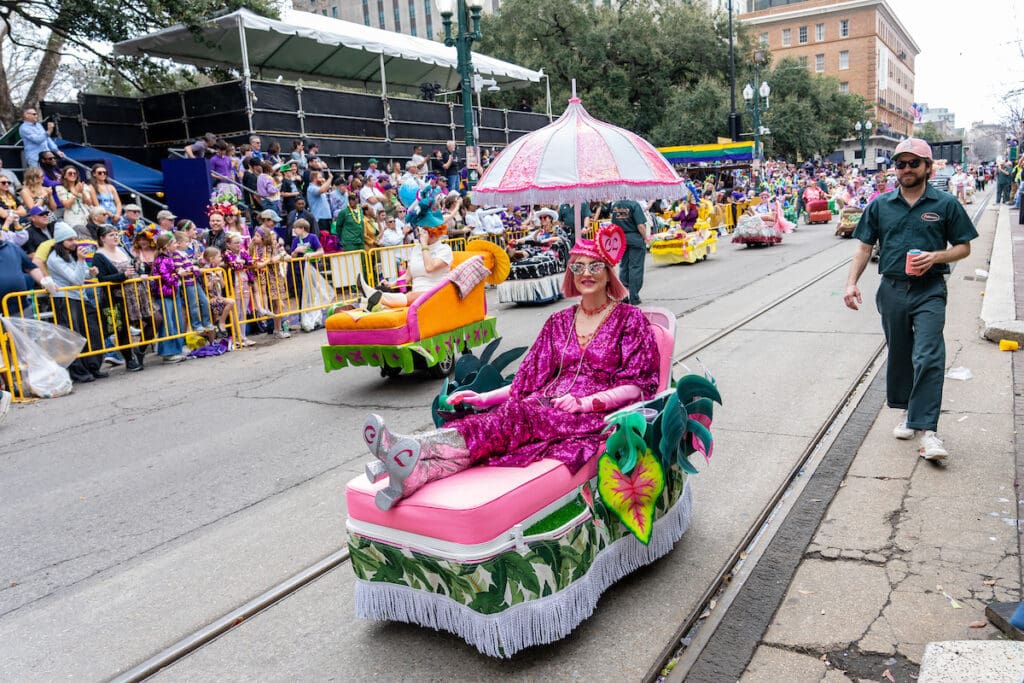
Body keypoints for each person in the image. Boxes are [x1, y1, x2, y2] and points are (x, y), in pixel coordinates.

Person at [361, 224, 658, 510]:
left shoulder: (630, 320)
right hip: (543, 408)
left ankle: (411, 448)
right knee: (498, 421)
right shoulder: (559, 322)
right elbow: (527, 380)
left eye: (595, 266)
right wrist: (485, 398)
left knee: (513, 417)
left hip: (592, 418)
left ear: (609, 273)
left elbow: (639, 384)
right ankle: (414, 471)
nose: (586, 274)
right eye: (578, 267)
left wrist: (587, 403)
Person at [843, 138, 978, 462]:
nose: (906, 169)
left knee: (928, 355)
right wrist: (851, 284)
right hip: (891, 289)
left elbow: (964, 247)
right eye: (901, 163)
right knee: (901, 354)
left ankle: (927, 432)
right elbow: (864, 246)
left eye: (913, 163)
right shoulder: (880, 204)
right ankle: (907, 412)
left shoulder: (945, 204)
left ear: (927, 168)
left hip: (929, 289)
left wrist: (936, 257)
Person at [46, 222, 108, 383]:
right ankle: (78, 371)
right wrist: (82, 262)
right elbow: (75, 280)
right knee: (72, 336)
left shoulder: (71, 255)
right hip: (65, 299)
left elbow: (79, 274)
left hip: (79, 297)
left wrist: (90, 271)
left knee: (93, 331)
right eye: (70, 240)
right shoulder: (54, 258)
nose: (74, 242)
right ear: (61, 241)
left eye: (74, 238)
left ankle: (93, 366)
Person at [357, 221, 453, 310]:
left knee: (412, 295)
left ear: (433, 233)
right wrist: (391, 284)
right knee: (406, 294)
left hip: (435, 293)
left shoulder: (444, 249)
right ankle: (372, 299)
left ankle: (375, 296)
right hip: (416, 295)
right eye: (420, 230)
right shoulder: (416, 249)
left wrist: (424, 245)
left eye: (424, 231)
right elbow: (407, 276)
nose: (420, 233)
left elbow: (429, 267)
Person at [92, 224, 142, 371]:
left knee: (154, 319)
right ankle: (129, 359)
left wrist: (136, 267)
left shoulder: (121, 249)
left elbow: (132, 263)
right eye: (111, 235)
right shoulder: (98, 256)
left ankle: (140, 351)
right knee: (122, 329)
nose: (115, 237)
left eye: (116, 234)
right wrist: (123, 275)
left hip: (132, 293)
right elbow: (102, 278)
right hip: (113, 296)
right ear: (102, 239)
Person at [151, 232, 188, 363]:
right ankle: (168, 352)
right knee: (168, 322)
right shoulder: (161, 259)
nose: (177, 244)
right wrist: (179, 275)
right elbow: (166, 278)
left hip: (172, 292)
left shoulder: (169, 258)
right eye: (174, 243)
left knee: (175, 320)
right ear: (167, 246)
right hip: (164, 293)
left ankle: (176, 348)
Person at [249, 228, 291, 339]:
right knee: (273, 303)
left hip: (275, 278)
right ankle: (275, 328)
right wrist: (273, 259)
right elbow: (270, 260)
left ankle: (278, 329)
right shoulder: (260, 248)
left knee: (278, 303)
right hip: (264, 277)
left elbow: (288, 257)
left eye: (275, 239)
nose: (274, 241)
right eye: (272, 239)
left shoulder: (276, 249)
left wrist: (281, 256)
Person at [173, 230, 213, 336]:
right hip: (187, 283)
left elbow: (188, 265)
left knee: (204, 300)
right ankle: (196, 324)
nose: (188, 244)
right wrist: (193, 268)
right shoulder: (176, 255)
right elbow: (179, 269)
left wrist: (194, 266)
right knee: (193, 304)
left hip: (194, 280)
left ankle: (207, 322)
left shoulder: (184, 254)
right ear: (178, 243)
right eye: (186, 242)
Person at [609, 197, 648, 305]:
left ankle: (623, 295)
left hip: (621, 238)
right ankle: (634, 297)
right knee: (635, 267)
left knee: (624, 267)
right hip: (635, 239)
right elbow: (640, 225)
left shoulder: (615, 205)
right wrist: (645, 237)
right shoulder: (634, 205)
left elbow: (613, 224)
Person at [199, 247, 236, 337]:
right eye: (219, 257)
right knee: (231, 302)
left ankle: (219, 323)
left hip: (218, 296)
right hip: (211, 298)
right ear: (212, 259)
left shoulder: (218, 269)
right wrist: (212, 279)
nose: (221, 259)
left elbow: (223, 286)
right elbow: (208, 288)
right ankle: (221, 322)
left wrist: (220, 277)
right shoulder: (206, 270)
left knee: (230, 304)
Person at [55, 166, 94, 230]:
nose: (73, 175)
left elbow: (89, 203)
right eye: (70, 173)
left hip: (85, 215)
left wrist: (82, 192)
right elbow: (67, 205)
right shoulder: (60, 188)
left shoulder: (82, 186)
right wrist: (76, 193)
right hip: (71, 217)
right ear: (64, 176)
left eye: (74, 173)